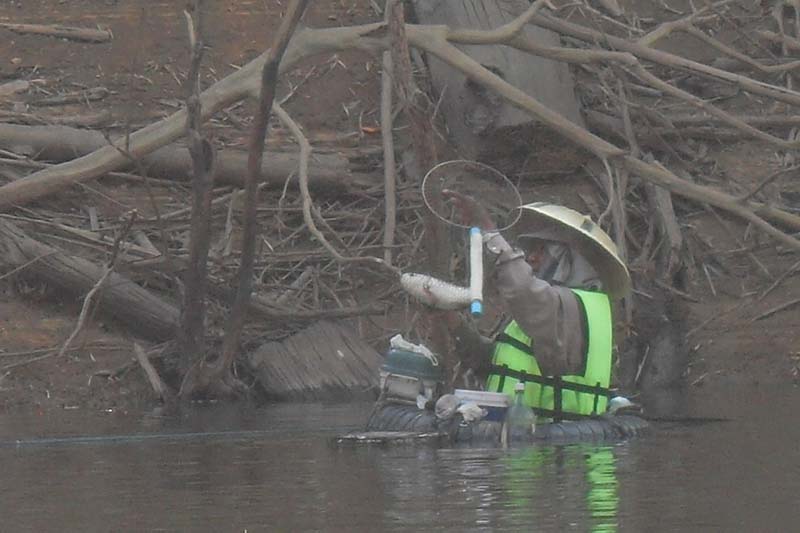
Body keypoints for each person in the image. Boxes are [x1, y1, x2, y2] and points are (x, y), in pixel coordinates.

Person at [442, 191, 631, 420]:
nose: (531, 258)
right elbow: (494, 362)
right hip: (519, 438)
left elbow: (522, 289)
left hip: (559, 444)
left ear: (567, 256)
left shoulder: (571, 306)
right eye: (530, 250)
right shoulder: (547, 305)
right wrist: (450, 319)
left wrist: (488, 229)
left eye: (541, 250)